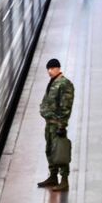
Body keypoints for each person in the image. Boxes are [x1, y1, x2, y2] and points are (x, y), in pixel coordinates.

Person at [37, 59, 74, 191]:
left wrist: (62, 125)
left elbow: (66, 106)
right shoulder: (53, 83)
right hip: (49, 124)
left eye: (52, 68)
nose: (49, 71)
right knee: (50, 150)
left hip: (57, 125)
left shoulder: (64, 84)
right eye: (48, 69)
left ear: (58, 68)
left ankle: (64, 180)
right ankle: (53, 177)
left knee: (60, 152)